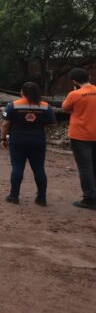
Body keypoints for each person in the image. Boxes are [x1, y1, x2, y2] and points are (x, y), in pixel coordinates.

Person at [0, 82, 56, 206]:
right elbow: (52, 124)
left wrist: (3, 139)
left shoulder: (13, 105)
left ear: (22, 92)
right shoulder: (46, 106)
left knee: (17, 167)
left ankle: (14, 196)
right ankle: (41, 198)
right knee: (39, 169)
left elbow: (5, 124)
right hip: (38, 141)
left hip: (17, 141)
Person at [62, 68, 96, 210]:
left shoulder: (74, 94)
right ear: (88, 77)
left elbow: (64, 107)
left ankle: (89, 198)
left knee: (85, 168)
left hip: (80, 135)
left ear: (74, 81)